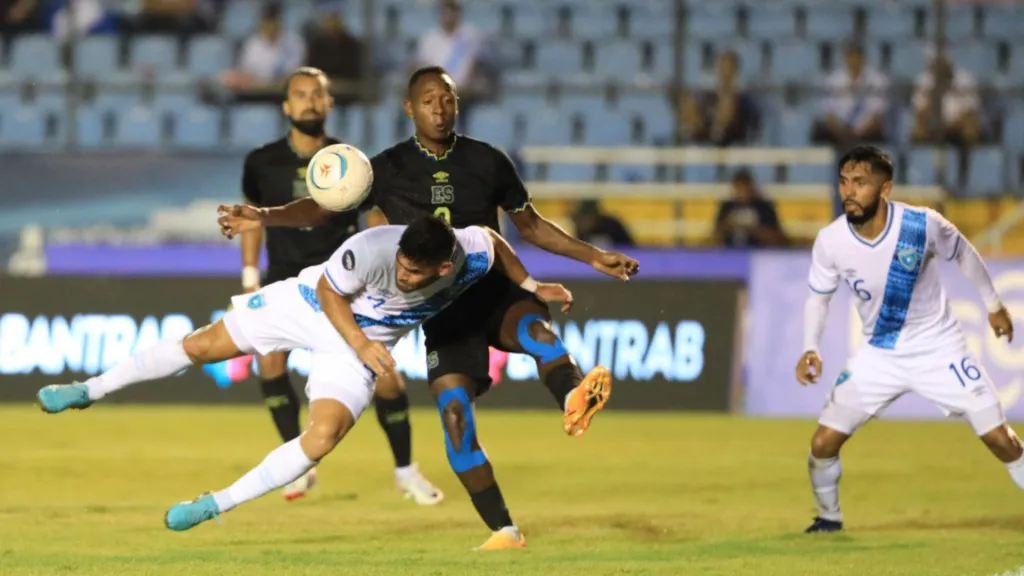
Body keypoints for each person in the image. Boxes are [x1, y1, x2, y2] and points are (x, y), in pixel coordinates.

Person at [217, 65, 639, 550]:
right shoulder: (388, 168)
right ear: (410, 108)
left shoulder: (488, 161)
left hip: (492, 288)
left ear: (457, 105)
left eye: (447, 100)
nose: (439, 109)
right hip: (439, 312)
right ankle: (505, 530)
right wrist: (265, 216)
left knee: (537, 333)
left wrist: (593, 256)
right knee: (456, 417)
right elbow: (323, 207)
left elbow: (533, 227)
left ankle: (572, 397)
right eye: (429, 101)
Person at [36, 216, 575, 533]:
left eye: (415, 272)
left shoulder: (469, 253)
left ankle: (213, 504)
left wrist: (530, 287)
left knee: (322, 438)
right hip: (312, 307)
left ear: (443, 266)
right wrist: (362, 343)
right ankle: (90, 389)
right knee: (203, 344)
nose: (405, 275)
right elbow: (328, 293)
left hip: (359, 348)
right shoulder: (371, 248)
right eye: (403, 265)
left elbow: (493, 238)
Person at [239, 65, 440, 504]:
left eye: (318, 94)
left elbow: (375, 221)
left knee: (385, 378)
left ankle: (406, 471)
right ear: (286, 105)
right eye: (301, 94)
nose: (310, 101)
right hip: (284, 281)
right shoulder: (261, 162)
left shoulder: (351, 163)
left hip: (342, 285)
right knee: (269, 366)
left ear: (330, 103)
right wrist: (251, 277)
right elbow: (252, 222)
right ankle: (297, 468)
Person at [795, 146, 1019, 534]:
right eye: (844, 182)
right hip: (878, 355)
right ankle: (828, 518)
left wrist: (994, 304)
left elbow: (964, 252)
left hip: (940, 350)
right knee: (822, 444)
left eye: (860, 183)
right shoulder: (831, 241)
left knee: (1002, 440)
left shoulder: (921, 225)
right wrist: (810, 347)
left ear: (885, 190)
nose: (849, 191)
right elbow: (819, 297)